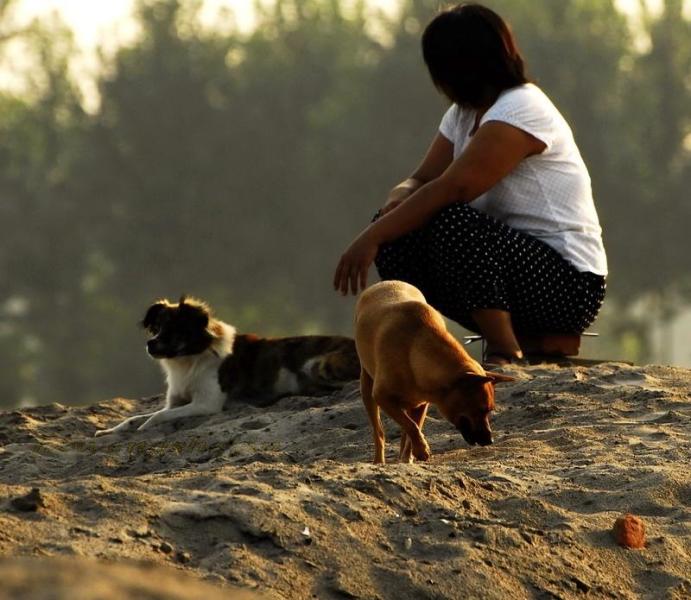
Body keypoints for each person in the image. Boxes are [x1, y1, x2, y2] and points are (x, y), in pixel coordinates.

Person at [333, 2, 607, 365]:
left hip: (568, 284)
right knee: (400, 234)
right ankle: (422, 349)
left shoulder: (521, 109)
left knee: (450, 220)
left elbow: (453, 189)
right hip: (510, 273)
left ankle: (503, 350)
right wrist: (396, 201)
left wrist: (370, 237)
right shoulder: (462, 115)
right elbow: (422, 179)